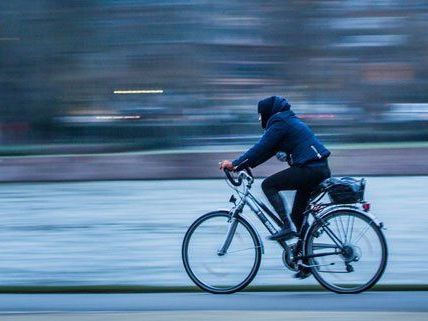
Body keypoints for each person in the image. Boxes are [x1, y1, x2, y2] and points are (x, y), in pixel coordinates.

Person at [219, 96, 331, 243]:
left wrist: (234, 164)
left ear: (267, 113)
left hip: (310, 169)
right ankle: (305, 262)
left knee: (268, 185)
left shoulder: (279, 122)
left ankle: (286, 226)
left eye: (260, 115)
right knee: (298, 216)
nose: (260, 120)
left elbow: (260, 148)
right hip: (318, 169)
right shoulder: (286, 120)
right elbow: (266, 152)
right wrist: (242, 165)